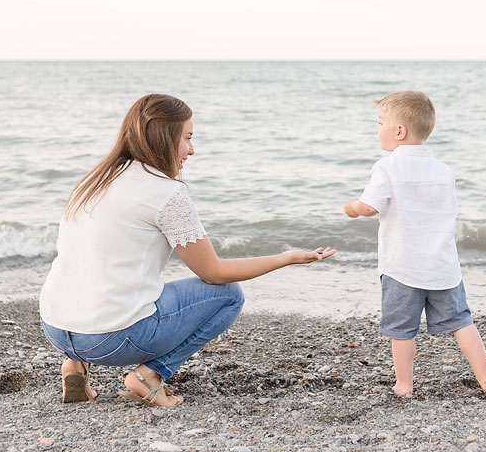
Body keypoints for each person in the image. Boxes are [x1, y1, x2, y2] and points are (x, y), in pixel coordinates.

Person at [40, 93, 335, 407]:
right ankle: (149, 376)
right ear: (164, 138)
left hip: (56, 327)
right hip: (112, 339)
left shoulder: (95, 180)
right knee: (228, 295)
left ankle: (75, 365)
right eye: (188, 138)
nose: (192, 149)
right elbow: (213, 273)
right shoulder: (167, 193)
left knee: (100, 275)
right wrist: (285, 258)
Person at [342, 90, 486, 399]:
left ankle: (404, 385)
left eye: (380, 122)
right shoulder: (443, 170)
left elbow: (370, 207)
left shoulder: (387, 167)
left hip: (402, 266)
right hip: (442, 265)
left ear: (399, 131)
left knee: (401, 329)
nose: (376, 129)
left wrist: (352, 206)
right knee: (462, 322)